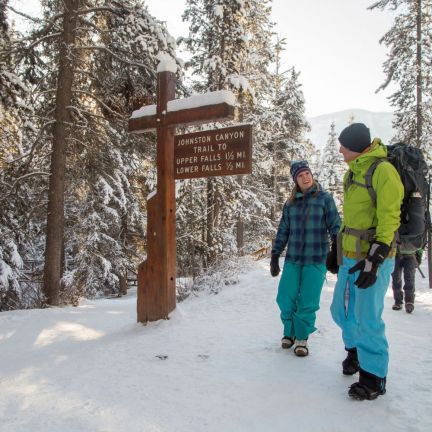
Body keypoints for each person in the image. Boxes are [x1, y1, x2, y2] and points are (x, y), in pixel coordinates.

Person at [329, 123, 404, 401]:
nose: (340, 150)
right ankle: (356, 353)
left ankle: (374, 377)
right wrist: (334, 248)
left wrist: (376, 257)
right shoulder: (354, 172)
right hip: (349, 256)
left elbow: (389, 218)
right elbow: (351, 219)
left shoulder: (383, 171)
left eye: (344, 146)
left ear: (357, 147)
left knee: (367, 317)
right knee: (342, 311)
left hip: (374, 258)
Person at [270, 160, 340, 357]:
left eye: (307, 173)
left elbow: (336, 225)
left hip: (316, 259)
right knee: (285, 297)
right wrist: (275, 255)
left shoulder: (324, 199)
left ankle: (301, 337)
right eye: (301, 175)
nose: (306, 177)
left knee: (308, 300)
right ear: (295, 180)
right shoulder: (290, 203)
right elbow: (283, 230)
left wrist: (337, 250)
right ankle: (289, 332)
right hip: (293, 259)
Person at [391, 248, 422, 313]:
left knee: (408, 278)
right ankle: (398, 301)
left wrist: (419, 254)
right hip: (396, 254)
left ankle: (409, 302)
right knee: (396, 278)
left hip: (410, 254)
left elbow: (420, 240)